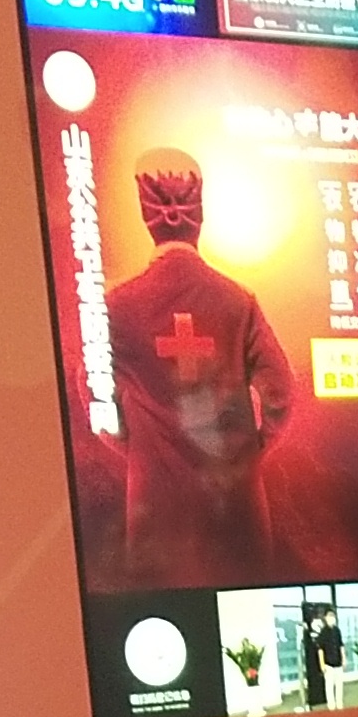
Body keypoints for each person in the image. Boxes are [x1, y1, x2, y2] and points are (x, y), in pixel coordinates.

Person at [104, 147, 293, 590]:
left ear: (146, 215)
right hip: (235, 507)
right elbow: (280, 393)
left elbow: (96, 398)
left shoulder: (115, 306)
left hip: (155, 510)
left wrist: (139, 449)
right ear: (200, 213)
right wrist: (249, 452)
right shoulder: (238, 300)